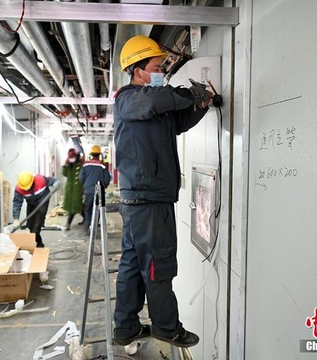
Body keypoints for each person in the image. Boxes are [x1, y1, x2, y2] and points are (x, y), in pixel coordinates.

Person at [112, 35, 213, 348]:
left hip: (143, 198)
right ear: (137, 70)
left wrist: (201, 105)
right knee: (159, 262)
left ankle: (126, 327)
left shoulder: (148, 109)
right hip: (149, 198)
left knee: (132, 264)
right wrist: (188, 92)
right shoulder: (129, 98)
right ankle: (167, 327)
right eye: (156, 67)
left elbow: (177, 122)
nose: (160, 72)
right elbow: (159, 100)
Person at [12, 171, 60, 247]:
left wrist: (56, 183)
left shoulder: (40, 180)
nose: (26, 189)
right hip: (31, 204)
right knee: (30, 226)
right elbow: (17, 203)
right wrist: (16, 218)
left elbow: (53, 180)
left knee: (36, 227)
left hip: (43, 202)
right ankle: (39, 241)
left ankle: (39, 245)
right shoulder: (19, 189)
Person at [78, 145, 111, 232]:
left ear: (91, 154)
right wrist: (104, 186)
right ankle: (94, 228)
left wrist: (85, 185)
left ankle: (87, 227)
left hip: (88, 191)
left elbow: (81, 178)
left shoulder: (85, 165)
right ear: (99, 155)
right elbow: (107, 178)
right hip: (99, 190)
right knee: (97, 210)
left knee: (88, 209)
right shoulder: (103, 166)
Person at [62, 148, 85, 230]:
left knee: (75, 206)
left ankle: (68, 223)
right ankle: (87, 219)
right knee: (77, 206)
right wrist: (65, 166)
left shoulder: (81, 164)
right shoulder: (68, 164)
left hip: (78, 188)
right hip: (70, 189)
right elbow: (65, 174)